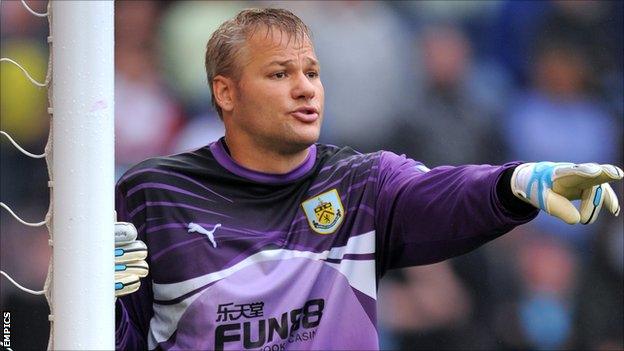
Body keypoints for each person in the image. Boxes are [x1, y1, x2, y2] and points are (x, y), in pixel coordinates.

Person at [113, 8, 622, 351]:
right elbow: (122, 337)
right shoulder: (154, 194)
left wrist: (517, 183)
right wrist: (92, 298)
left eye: (312, 73)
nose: (304, 89)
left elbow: (440, 195)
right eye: (279, 74)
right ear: (225, 93)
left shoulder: (361, 183)